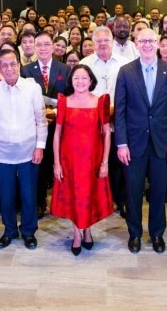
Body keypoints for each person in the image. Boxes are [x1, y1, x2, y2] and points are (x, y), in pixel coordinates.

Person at [115, 28, 167, 254]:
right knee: (133, 192)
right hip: (133, 144)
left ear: (158, 44)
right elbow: (120, 111)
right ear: (136, 43)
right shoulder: (126, 71)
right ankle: (134, 233)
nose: (146, 44)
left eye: (151, 41)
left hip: (162, 144)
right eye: (142, 41)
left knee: (158, 192)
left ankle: (157, 234)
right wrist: (121, 143)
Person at [0, 49, 48, 250]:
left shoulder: (32, 88)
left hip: (29, 151)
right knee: (6, 196)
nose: (9, 68)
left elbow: (41, 121)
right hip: (3, 152)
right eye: (4, 65)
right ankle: (9, 230)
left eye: (13, 64)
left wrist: (40, 147)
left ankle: (29, 231)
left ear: (19, 65)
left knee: (28, 195)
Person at [51, 65, 114, 255]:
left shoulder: (100, 102)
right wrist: (57, 163)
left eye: (84, 78)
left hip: (92, 160)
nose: (80, 82)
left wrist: (105, 162)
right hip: (69, 160)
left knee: (89, 196)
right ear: (71, 81)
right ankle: (77, 233)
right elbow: (57, 134)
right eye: (76, 78)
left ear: (91, 80)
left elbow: (106, 133)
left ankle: (87, 229)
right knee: (73, 197)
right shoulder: (64, 102)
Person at [78, 27, 129, 213]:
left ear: (112, 41)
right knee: (94, 161)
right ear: (93, 43)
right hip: (92, 122)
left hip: (119, 120)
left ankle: (121, 200)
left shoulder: (125, 63)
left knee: (119, 162)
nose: (102, 44)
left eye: (106, 40)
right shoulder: (85, 64)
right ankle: (97, 200)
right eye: (98, 41)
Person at [22, 32, 70, 218]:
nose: (42, 48)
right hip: (35, 126)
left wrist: (55, 112)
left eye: (46, 44)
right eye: (39, 45)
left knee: (60, 164)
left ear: (53, 46)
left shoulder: (64, 69)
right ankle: (40, 201)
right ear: (34, 47)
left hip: (60, 126)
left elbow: (69, 96)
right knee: (39, 166)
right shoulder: (26, 70)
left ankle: (62, 202)